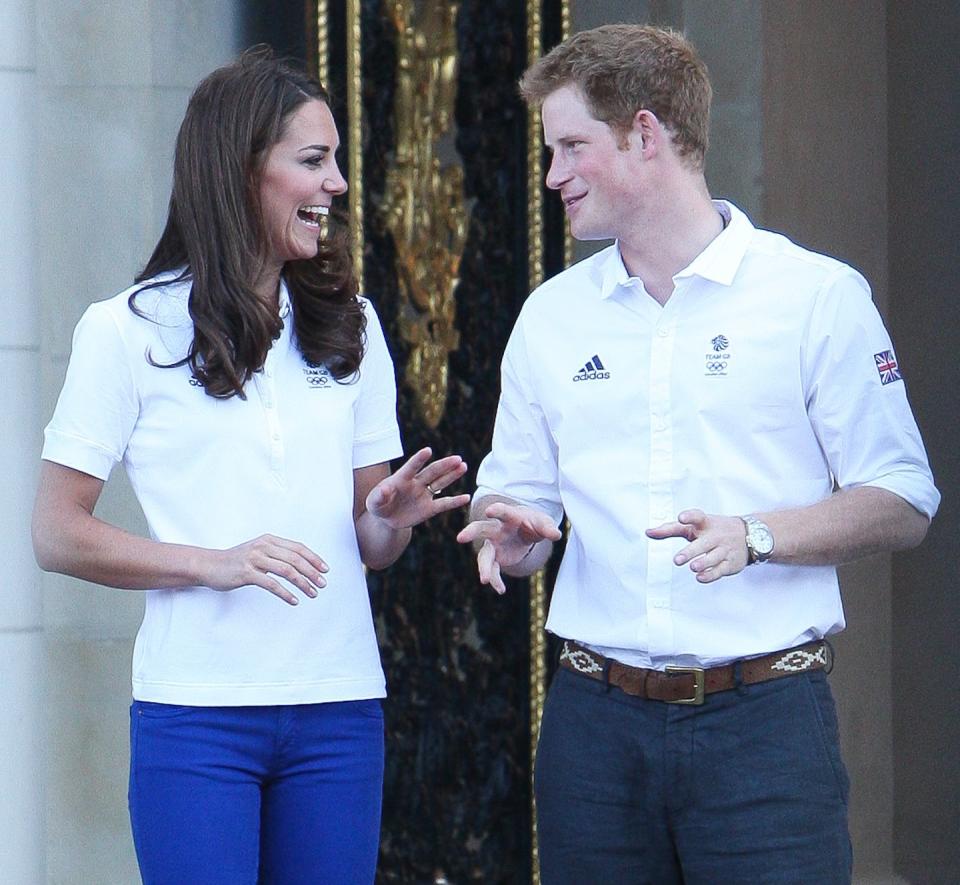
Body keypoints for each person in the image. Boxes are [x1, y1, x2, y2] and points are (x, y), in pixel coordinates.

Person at [457, 24, 939, 884]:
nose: (552, 175)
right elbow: (521, 510)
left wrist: (757, 534)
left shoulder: (816, 298)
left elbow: (903, 495)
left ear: (646, 135)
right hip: (592, 732)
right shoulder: (551, 317)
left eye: (571, 146)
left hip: (765, 727)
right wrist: (511, 533)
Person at [32, 47, 469, 885]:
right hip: (196, 719)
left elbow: (371, 542)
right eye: (313, 161)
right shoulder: (125, 330)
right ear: (240, 172)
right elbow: (56, 532)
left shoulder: (358, 326)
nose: (337, 183)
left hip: (339, 710)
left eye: (335, 160)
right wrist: (214, 564)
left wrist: (389, 517)